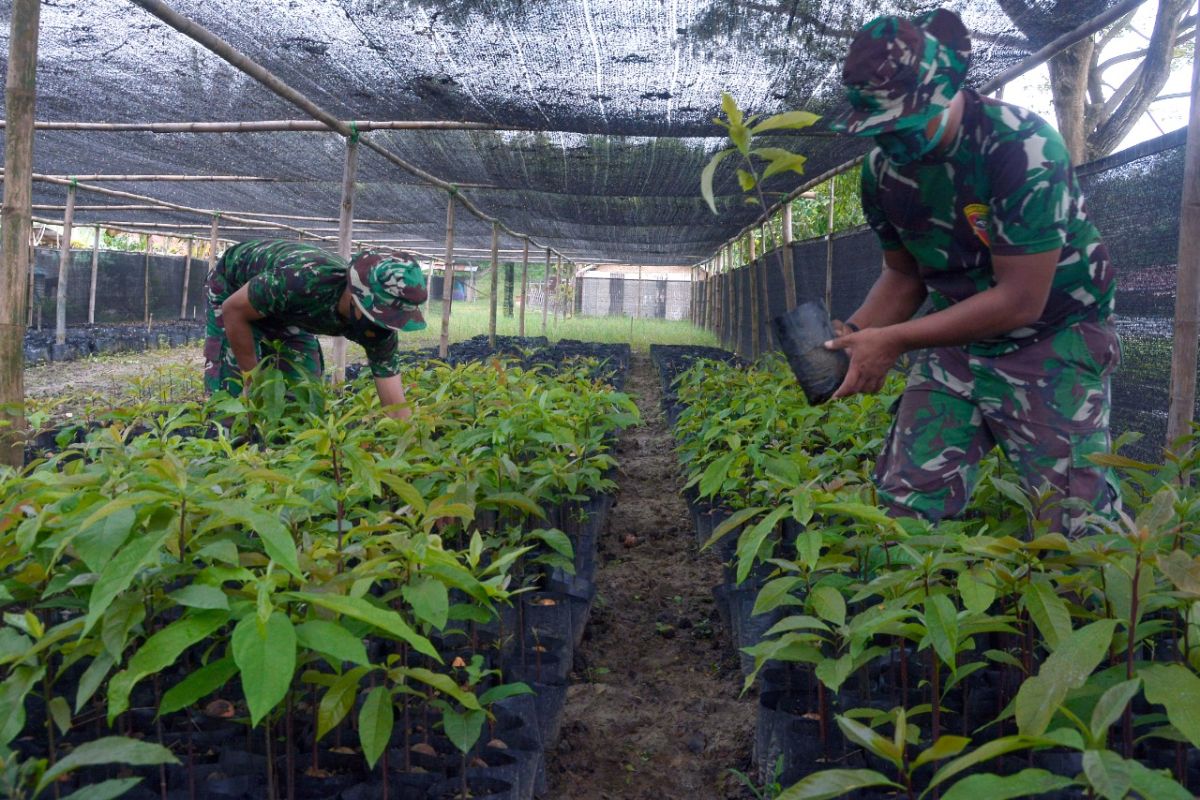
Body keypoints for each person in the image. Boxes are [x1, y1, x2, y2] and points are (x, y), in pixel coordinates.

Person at [823, 8, 1120, 535]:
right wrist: (854, 336)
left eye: (905, 122)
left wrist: (893, 342)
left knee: (1078, 526)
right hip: (956, 337)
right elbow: (903, 275)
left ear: (946, 93)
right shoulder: (883, 171)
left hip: (1054, 338)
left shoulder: (1019, 147)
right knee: (903, 505)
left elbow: (1020, 300)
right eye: (880, 128)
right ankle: (905, 608)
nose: (893, 140)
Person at [203, 239, 427, 420]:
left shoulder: (380, 330)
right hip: (234, 290)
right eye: (378, 314)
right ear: (355, 295)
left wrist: (406, 450)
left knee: (304, 395)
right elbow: (233, 310)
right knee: (235, 398)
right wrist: (253, 381)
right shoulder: (302, 281)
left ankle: (283, 456)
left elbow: (395, 404)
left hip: (287, 310)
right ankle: (232, 455)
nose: (380, 326)